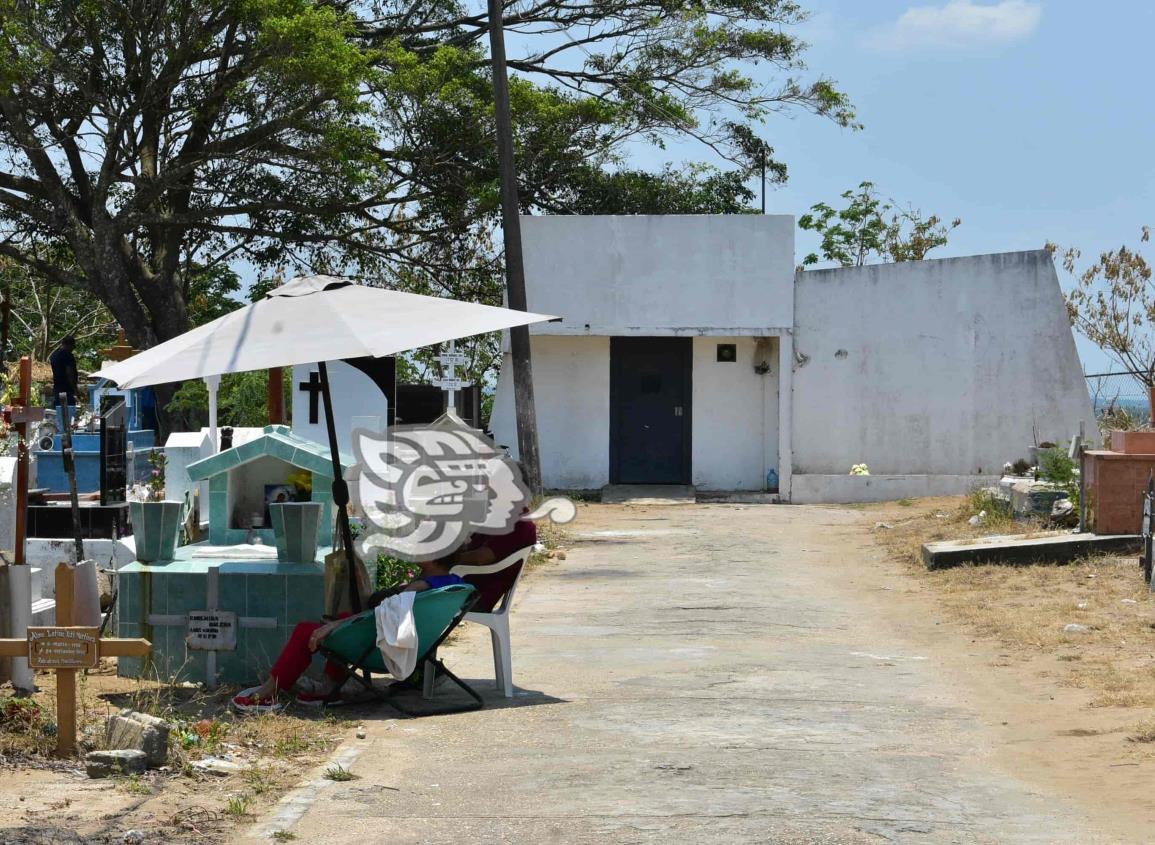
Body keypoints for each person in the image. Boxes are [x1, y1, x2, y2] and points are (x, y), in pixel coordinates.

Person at [231, 558, 465, 713]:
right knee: (342, 615)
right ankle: (330, 686)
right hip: (417, 648)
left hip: (382, 651)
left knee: (306, 630)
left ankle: (269, 692)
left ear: (434, 556)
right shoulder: (455, 584)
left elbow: (378, 614)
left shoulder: (420, 587)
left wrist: (335, 626)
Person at [48, 335, 79, 415]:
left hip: (57, 389)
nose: (73, 349)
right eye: (73, 347)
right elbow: (69, 373)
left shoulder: (54, 355)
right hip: (67, 390)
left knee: (59, 415)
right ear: (70, 345)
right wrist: (75, 388)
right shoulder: (68, 355)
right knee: (69, 415)